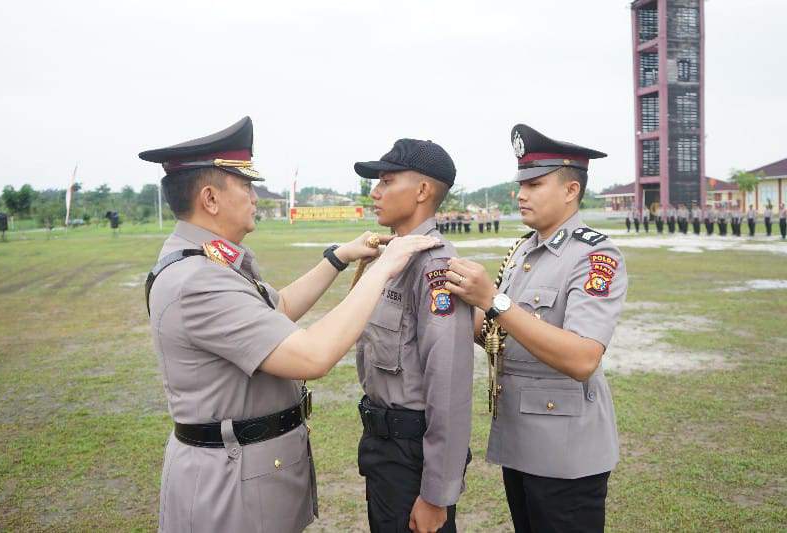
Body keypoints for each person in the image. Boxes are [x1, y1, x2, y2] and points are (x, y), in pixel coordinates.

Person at [139, 117, 440, 533]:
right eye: (245, 186)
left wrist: (339, 258)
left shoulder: (209, 261)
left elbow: (276, 309)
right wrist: (382, 269)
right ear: (210, 199)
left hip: (247, 473)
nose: (254, 197)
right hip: (228, 487)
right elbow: (312, 356)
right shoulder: (198, 280)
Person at [446, 124, 626, 532]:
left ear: (570, 191)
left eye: (535, 183)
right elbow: (501, 333)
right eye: (521, 183)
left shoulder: (594, 255)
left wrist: (493, 299)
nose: (521, 193)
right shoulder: (525, 249)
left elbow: (583, 357)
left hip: (566, 454)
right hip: (522, 440)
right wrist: (453, 297)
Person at [353, 139, 474, 533]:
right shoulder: (393, 258)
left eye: (387, 181)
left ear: (422, 191)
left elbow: (450, 386)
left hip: (412, 456)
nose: (375, 192)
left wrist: (436, 494)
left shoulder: (434, 267)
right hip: (382, 448)